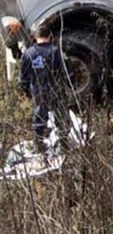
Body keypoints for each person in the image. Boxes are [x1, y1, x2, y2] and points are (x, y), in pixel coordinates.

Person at [18, 23, 71, 156]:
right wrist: (69, 86)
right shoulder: (56, 51)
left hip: (38, 91)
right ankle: (64, 146)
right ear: (50, 36)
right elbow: (67, 73)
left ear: (35, 37)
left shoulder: (28, 53)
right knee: (61, 118)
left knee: (39, 118)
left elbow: (23, 77)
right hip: (57, 90)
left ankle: (39, 147)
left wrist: (26, 91)